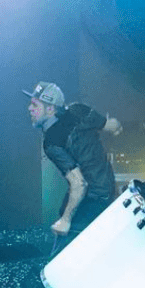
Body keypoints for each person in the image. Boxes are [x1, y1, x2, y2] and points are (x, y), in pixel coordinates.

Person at [23, 82, 123, 247]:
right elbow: (110, 125)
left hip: (95, 197)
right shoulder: (79, 109)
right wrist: (117, 128)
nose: (29, 109)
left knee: (63, 248)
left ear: (50, 109)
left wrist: (65, 221)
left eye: (35, 105)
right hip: (108, 187)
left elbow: (79, 183)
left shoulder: (52, 142)